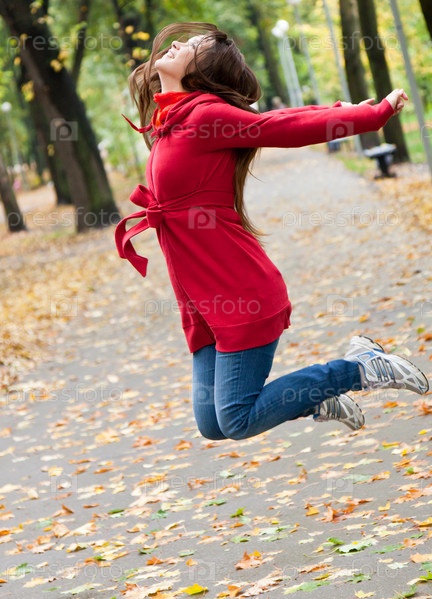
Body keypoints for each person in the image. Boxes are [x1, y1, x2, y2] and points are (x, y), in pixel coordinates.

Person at [115, 22, 428, 441]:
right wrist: (339, 107)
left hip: (238, 289)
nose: (177, 44)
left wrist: (369, 115)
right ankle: (309, 397)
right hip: (201, 301)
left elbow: (281, 126)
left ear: (201, 71)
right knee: (212, 424)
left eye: (192, 46)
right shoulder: (170, 121)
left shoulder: (205, 116)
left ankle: (360, 368)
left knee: (237, 419)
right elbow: (274, 118)